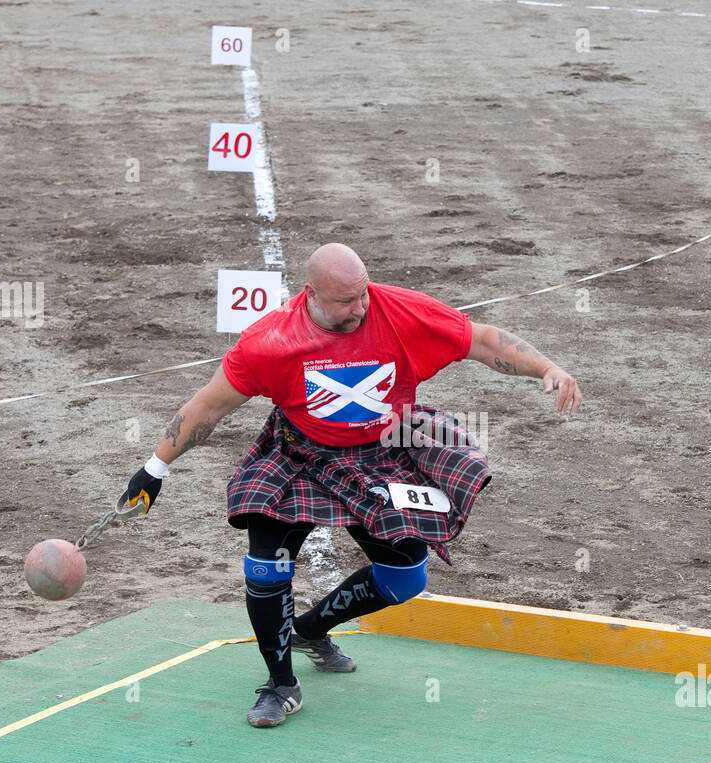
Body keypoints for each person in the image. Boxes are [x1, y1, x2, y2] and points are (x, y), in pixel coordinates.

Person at [120, 243, 583, 728]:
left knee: (406, 578)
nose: (360, 308)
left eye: (363, 294)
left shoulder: (399, 310)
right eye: (345, 301)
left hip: (384, 450)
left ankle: (309, 629)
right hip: (298, 455)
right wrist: (155, 468)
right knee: (266, 566)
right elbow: (209, 407)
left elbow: (483, 341)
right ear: (310, 294)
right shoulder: (269, 341)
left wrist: (547, 368)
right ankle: (281, 685)